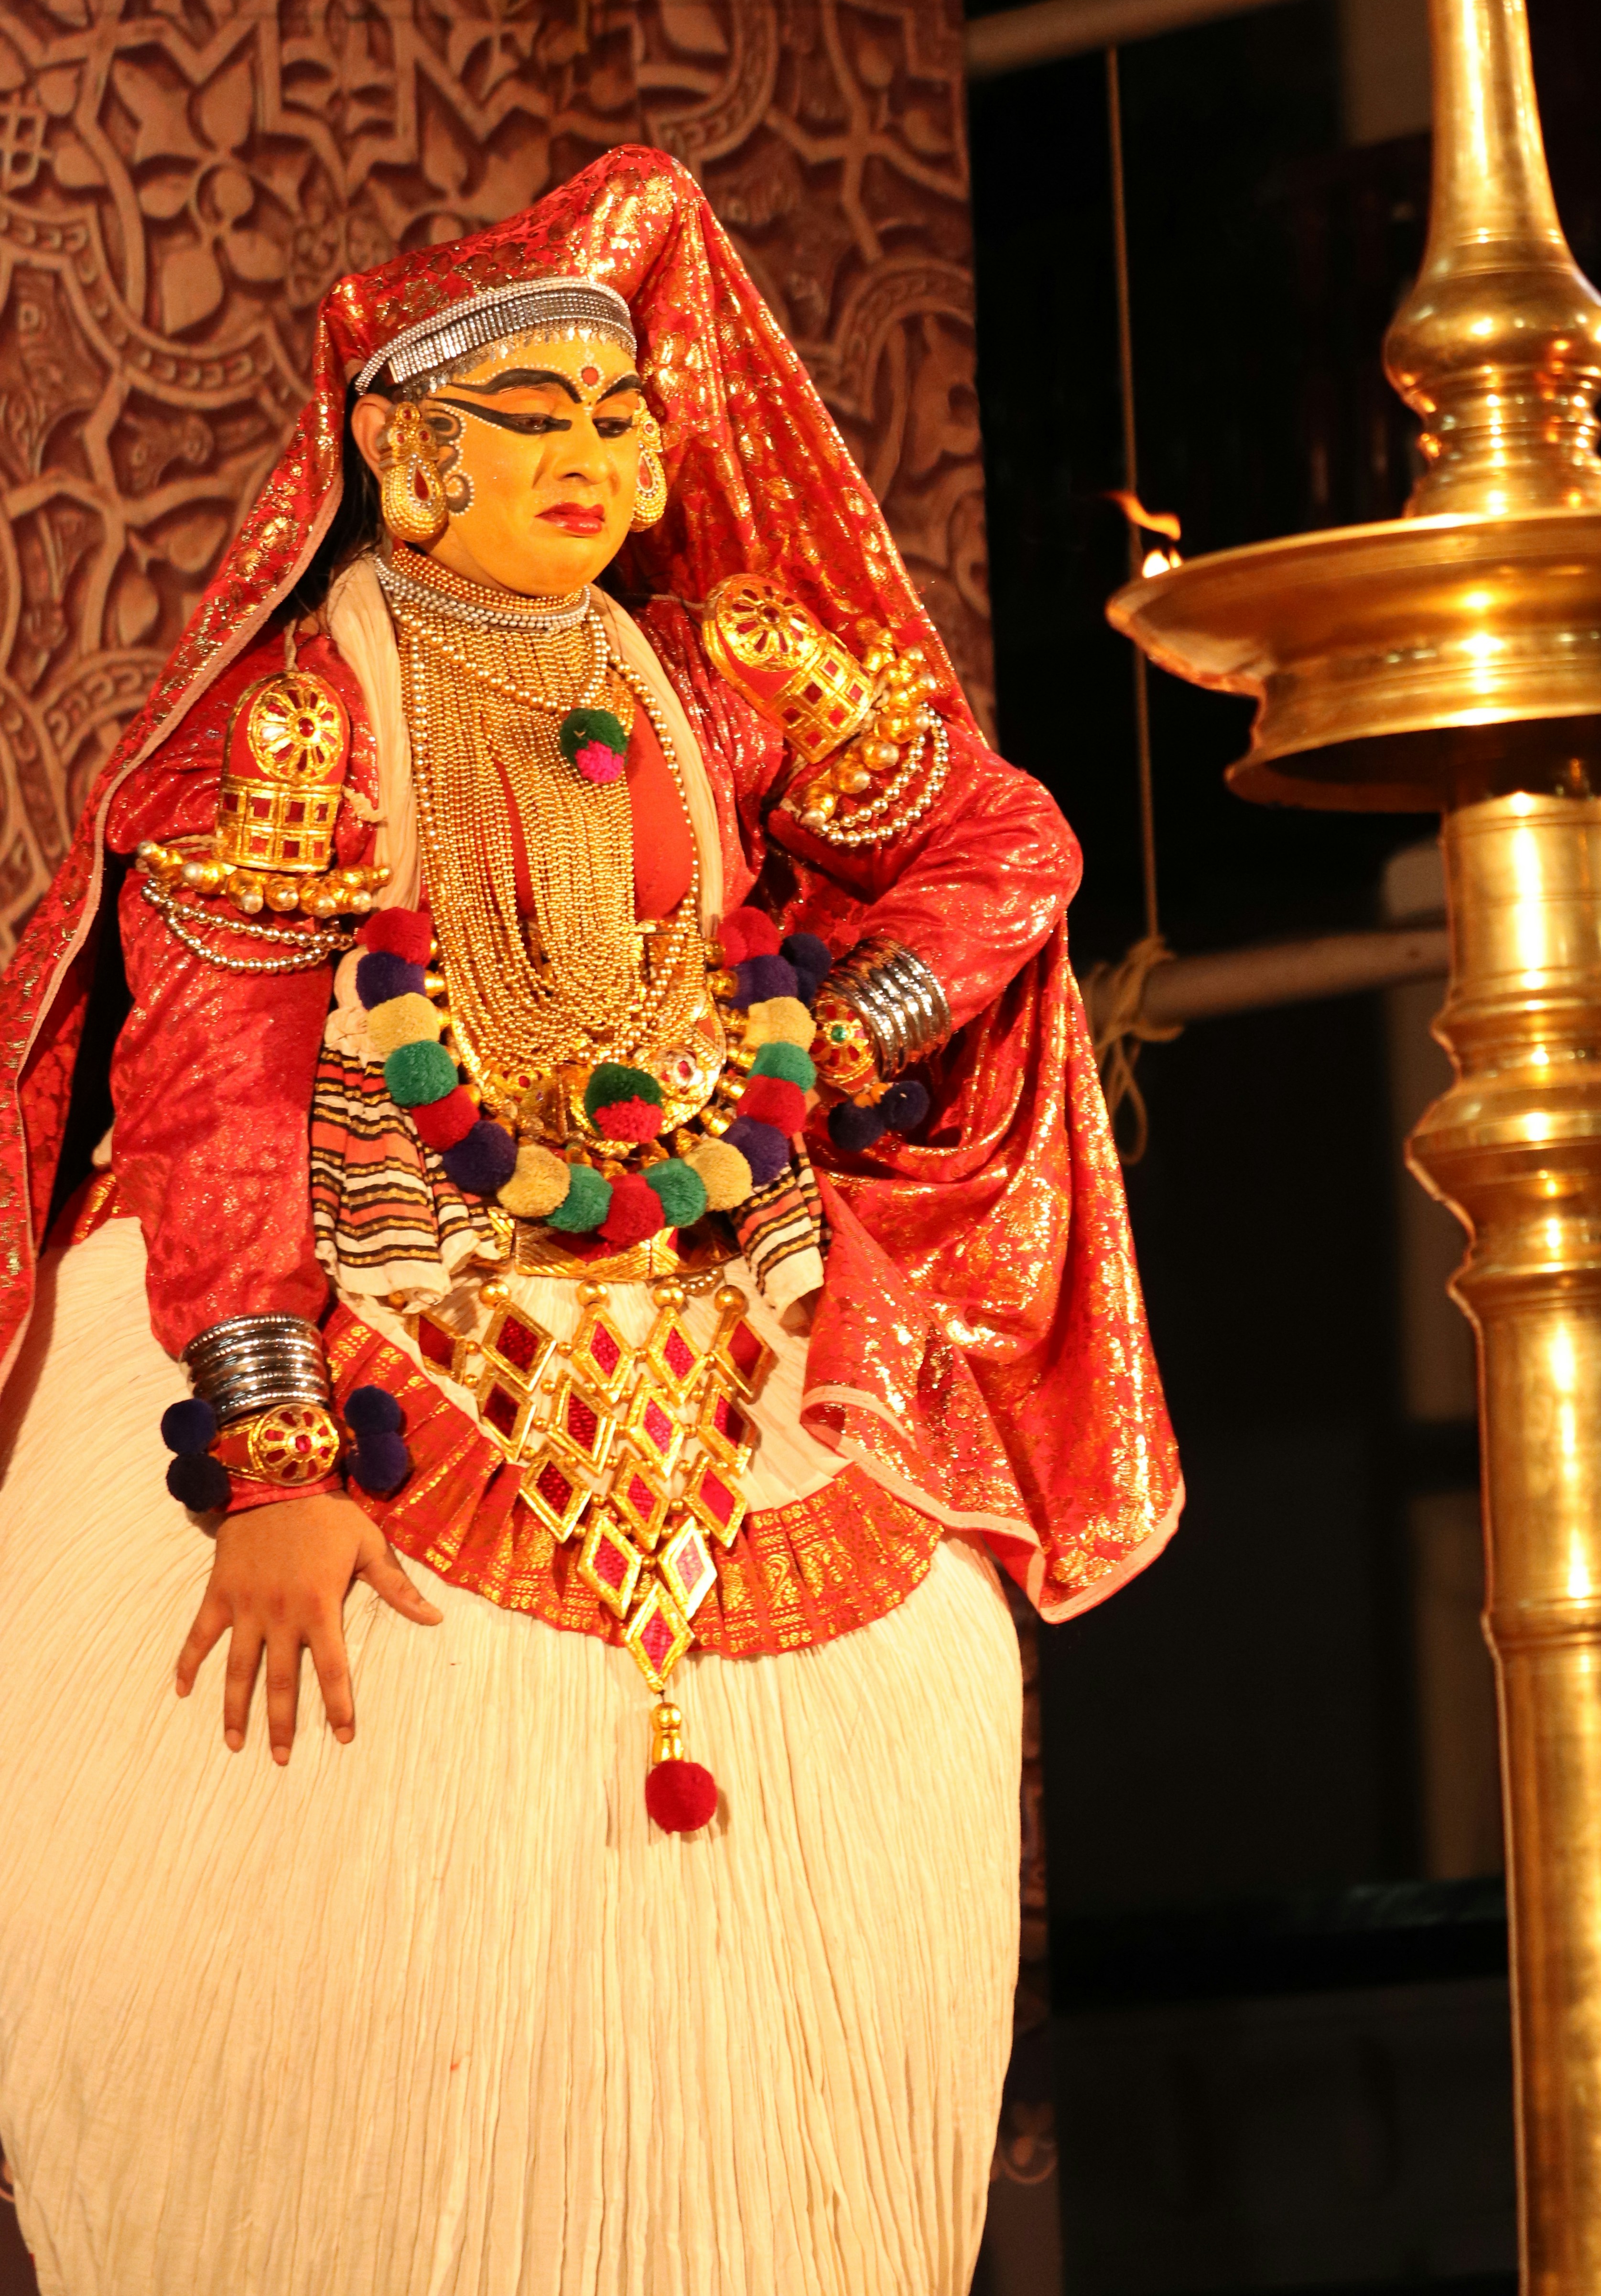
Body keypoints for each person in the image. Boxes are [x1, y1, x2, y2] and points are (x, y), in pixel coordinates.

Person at [0, 145, 1179, 2296]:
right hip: (388, 1313)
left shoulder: (722, 678)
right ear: (397, 449)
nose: (593, 458)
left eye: (621, 420)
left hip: (723, 1309)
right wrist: (269, 1452)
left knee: (868, 1782)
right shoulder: (295, 726)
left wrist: (845, 1031)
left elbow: (1009, 849)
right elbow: (214, 1088)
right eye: (529, 422)